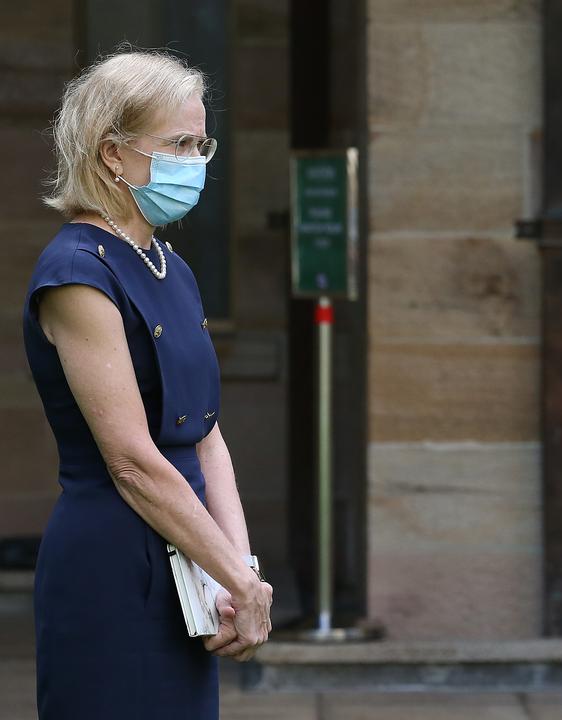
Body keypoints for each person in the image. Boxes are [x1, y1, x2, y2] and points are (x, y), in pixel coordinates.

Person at [24, 50, 272, 718]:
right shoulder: (78, 273)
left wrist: (237, 573)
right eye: (179, 144)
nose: (196, 161)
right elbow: (134, 461)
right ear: (112, 154)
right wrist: (233, 577)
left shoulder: (169, 264)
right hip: (113, 565)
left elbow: (206, 434)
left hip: (190, 567)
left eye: (201, 143)